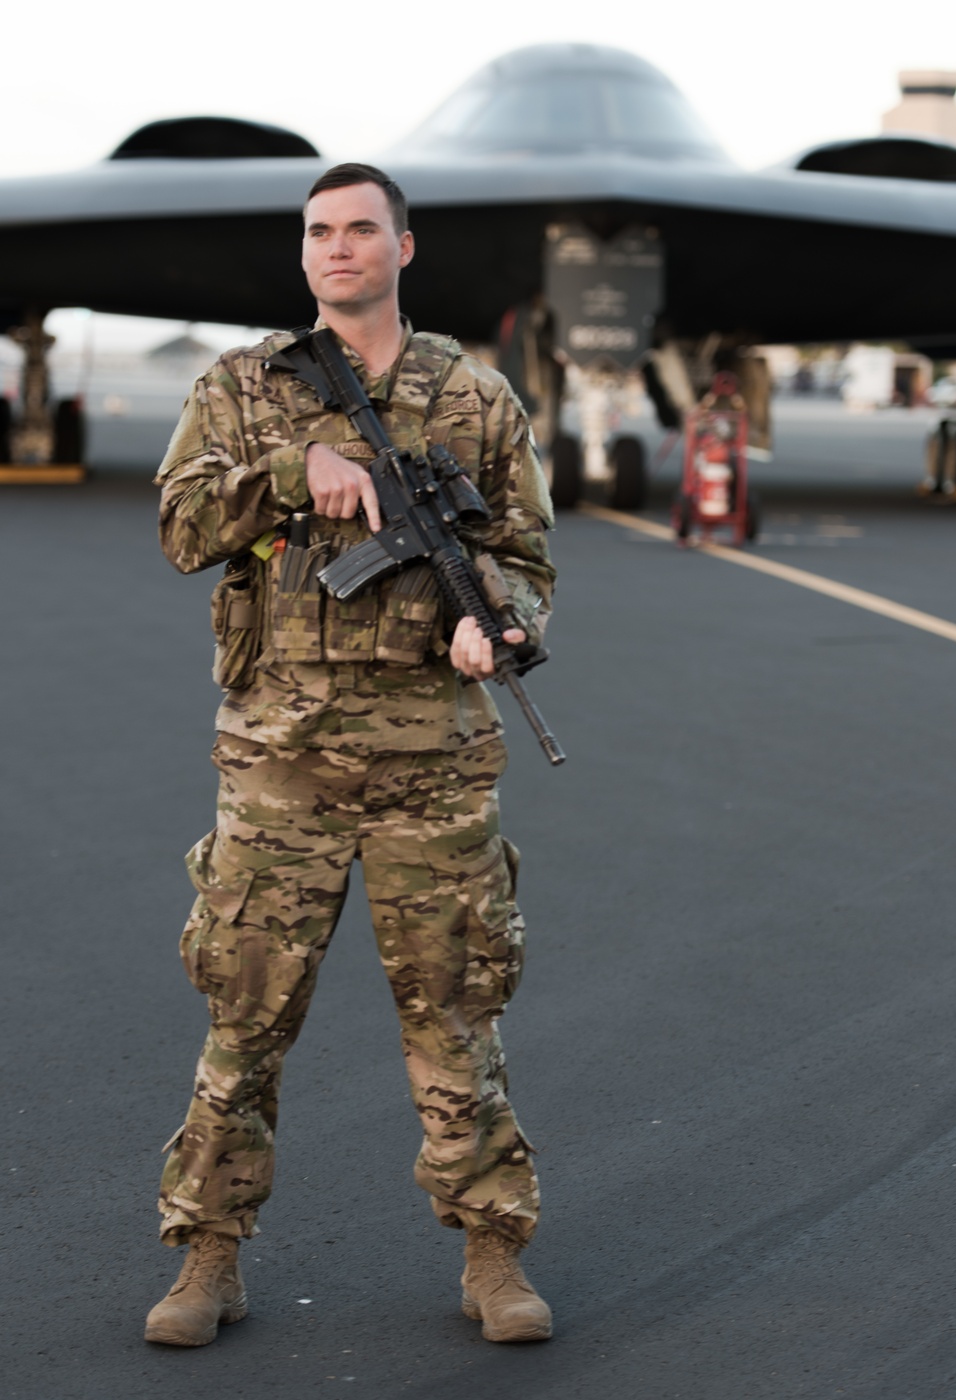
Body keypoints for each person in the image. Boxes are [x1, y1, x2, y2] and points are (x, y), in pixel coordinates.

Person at [145, 163, 556, 1348]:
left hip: (434, 756)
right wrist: (291, 476)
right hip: (277, 761)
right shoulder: (241, 387)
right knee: (246, 1013)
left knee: (455, 1010)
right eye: (319, 231)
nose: (337, 249)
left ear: (403, 249)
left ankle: (493, 1253)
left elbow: (527, 555)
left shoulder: (474, 398)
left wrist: (501, 624)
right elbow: (178, 527)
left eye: (360, 229)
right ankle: (208, 1256)